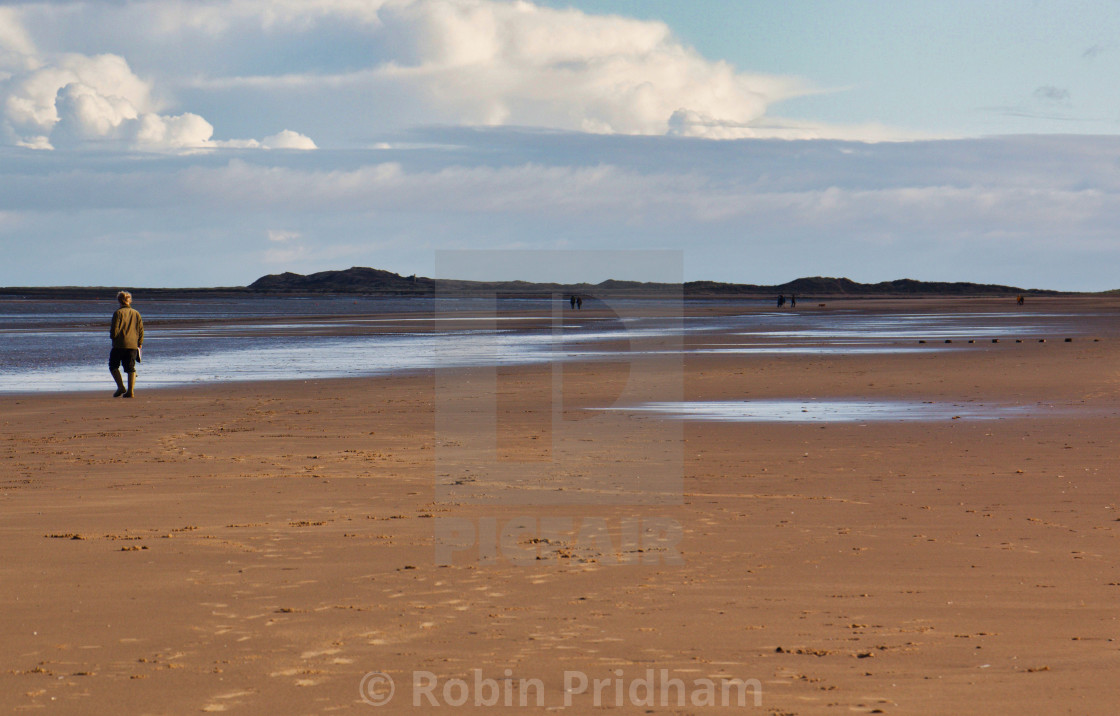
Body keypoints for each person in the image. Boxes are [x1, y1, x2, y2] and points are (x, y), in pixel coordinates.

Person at [109, 291, 144, 398]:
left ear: (119, 300)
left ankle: (120, 387)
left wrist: (113, 337)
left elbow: (115, 330)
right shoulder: (136, 313)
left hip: (119, 344)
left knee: (113, 365)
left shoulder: (118, 313)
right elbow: (141, 329)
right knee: (130, 367)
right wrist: (140, 342)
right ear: (129, 300)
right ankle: (130, 391)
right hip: (133, 344)